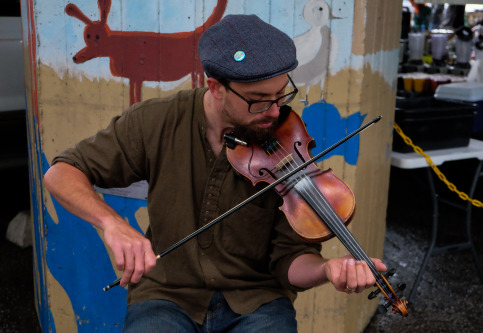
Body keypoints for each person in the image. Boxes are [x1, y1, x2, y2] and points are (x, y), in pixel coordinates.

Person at [44, 14, 386, 332]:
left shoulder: (286, 141)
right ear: (216, 87)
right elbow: (61, 173)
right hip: (166, 295)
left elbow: (290, 261)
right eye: (258, 99)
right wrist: (112, 224)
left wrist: (327, 270)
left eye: (282, 95)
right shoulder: (156, 120)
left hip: (257, 302)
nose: (275, 111)